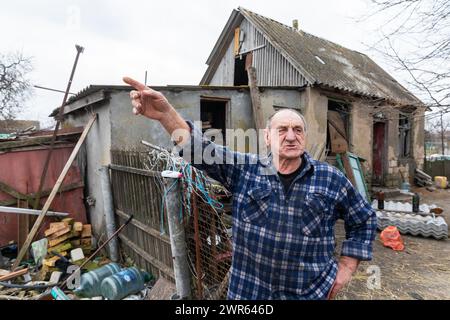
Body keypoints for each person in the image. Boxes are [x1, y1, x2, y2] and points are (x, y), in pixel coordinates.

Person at [123, 76, 377, 300]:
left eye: (297, 130)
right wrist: (166, 114)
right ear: (267, 137)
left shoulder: (330, 179)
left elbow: (364, 218)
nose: (291, 136)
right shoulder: (245, 169)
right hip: (249, 293)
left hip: (308, 293)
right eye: (282, 129)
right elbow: (198, 149)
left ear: (305, 136)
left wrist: (347, 266)